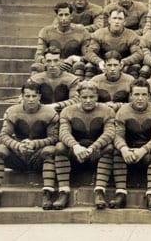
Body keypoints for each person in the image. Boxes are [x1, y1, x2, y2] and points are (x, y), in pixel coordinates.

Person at [0, 82, 58, 210]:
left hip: (38, 155)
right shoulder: (12, 111)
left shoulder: (50, 112)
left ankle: (47, 193)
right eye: (27, 96)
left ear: (39, 96)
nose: (31, 99)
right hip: (19, 154)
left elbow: (54, 138)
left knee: (50, 151)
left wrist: (35, 143)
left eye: (34, 96)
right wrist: (18, 146)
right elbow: (4, 136)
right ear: (22, 96)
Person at [53, 81, 115, 209]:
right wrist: (75, 146)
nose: (88, 100)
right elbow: (63, 133)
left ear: (97, 96)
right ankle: (63, 191)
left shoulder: (107, 110)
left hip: (96, 153)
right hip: (76, 154)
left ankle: (99, 191)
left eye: (92, 97)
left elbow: (109, 133)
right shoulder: (67, 111)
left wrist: (93, 147)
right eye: (84, 97)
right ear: (78, 97)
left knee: (109, 147)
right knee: (60, 147)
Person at [111, 79, 151, 210]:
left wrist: (144, 150)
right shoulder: (123, 111)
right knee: (116, 151)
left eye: (144, 95)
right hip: (129, 151)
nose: (140, 98)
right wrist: (124, 149)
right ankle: (120, 193)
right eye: (136, 95)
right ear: (130, 96)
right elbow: (118, 135)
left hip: (147, 151)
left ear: (149, 96)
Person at [36, 2, 91, 79]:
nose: (64, 18)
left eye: (66, 15)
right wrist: (56, 62)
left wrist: (73, 58)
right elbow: (38, 56)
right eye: (61, 15)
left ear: (71, 16)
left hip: (72, 66)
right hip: (52, 66)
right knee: (36, 66)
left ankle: (78, 89)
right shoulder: (46, 31)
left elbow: (88, 55)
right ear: (56, 16)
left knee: (79, 65)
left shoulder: (82, 31)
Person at [85, 7, 143, 78]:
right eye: (114, 18)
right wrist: (99, 62)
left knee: (135, 67)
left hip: (123, 65)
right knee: (89, 66)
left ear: (124, 22)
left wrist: (123, 62)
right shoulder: (99, 34)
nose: (117, 21)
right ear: (109, 20)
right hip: (103, 64)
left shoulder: (131, 35)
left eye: (120, 19)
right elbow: (89, 52)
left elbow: (138, 54)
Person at [28, 46, 81, 111]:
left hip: (64, 112)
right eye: (49, 61)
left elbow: (76, 100)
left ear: (61, 61)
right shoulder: (35, 79)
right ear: (44, 62)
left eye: (56, 61)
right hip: (41, 112)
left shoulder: (72, 80)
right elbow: (23, 98)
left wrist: (56, 105)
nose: (52, 65)